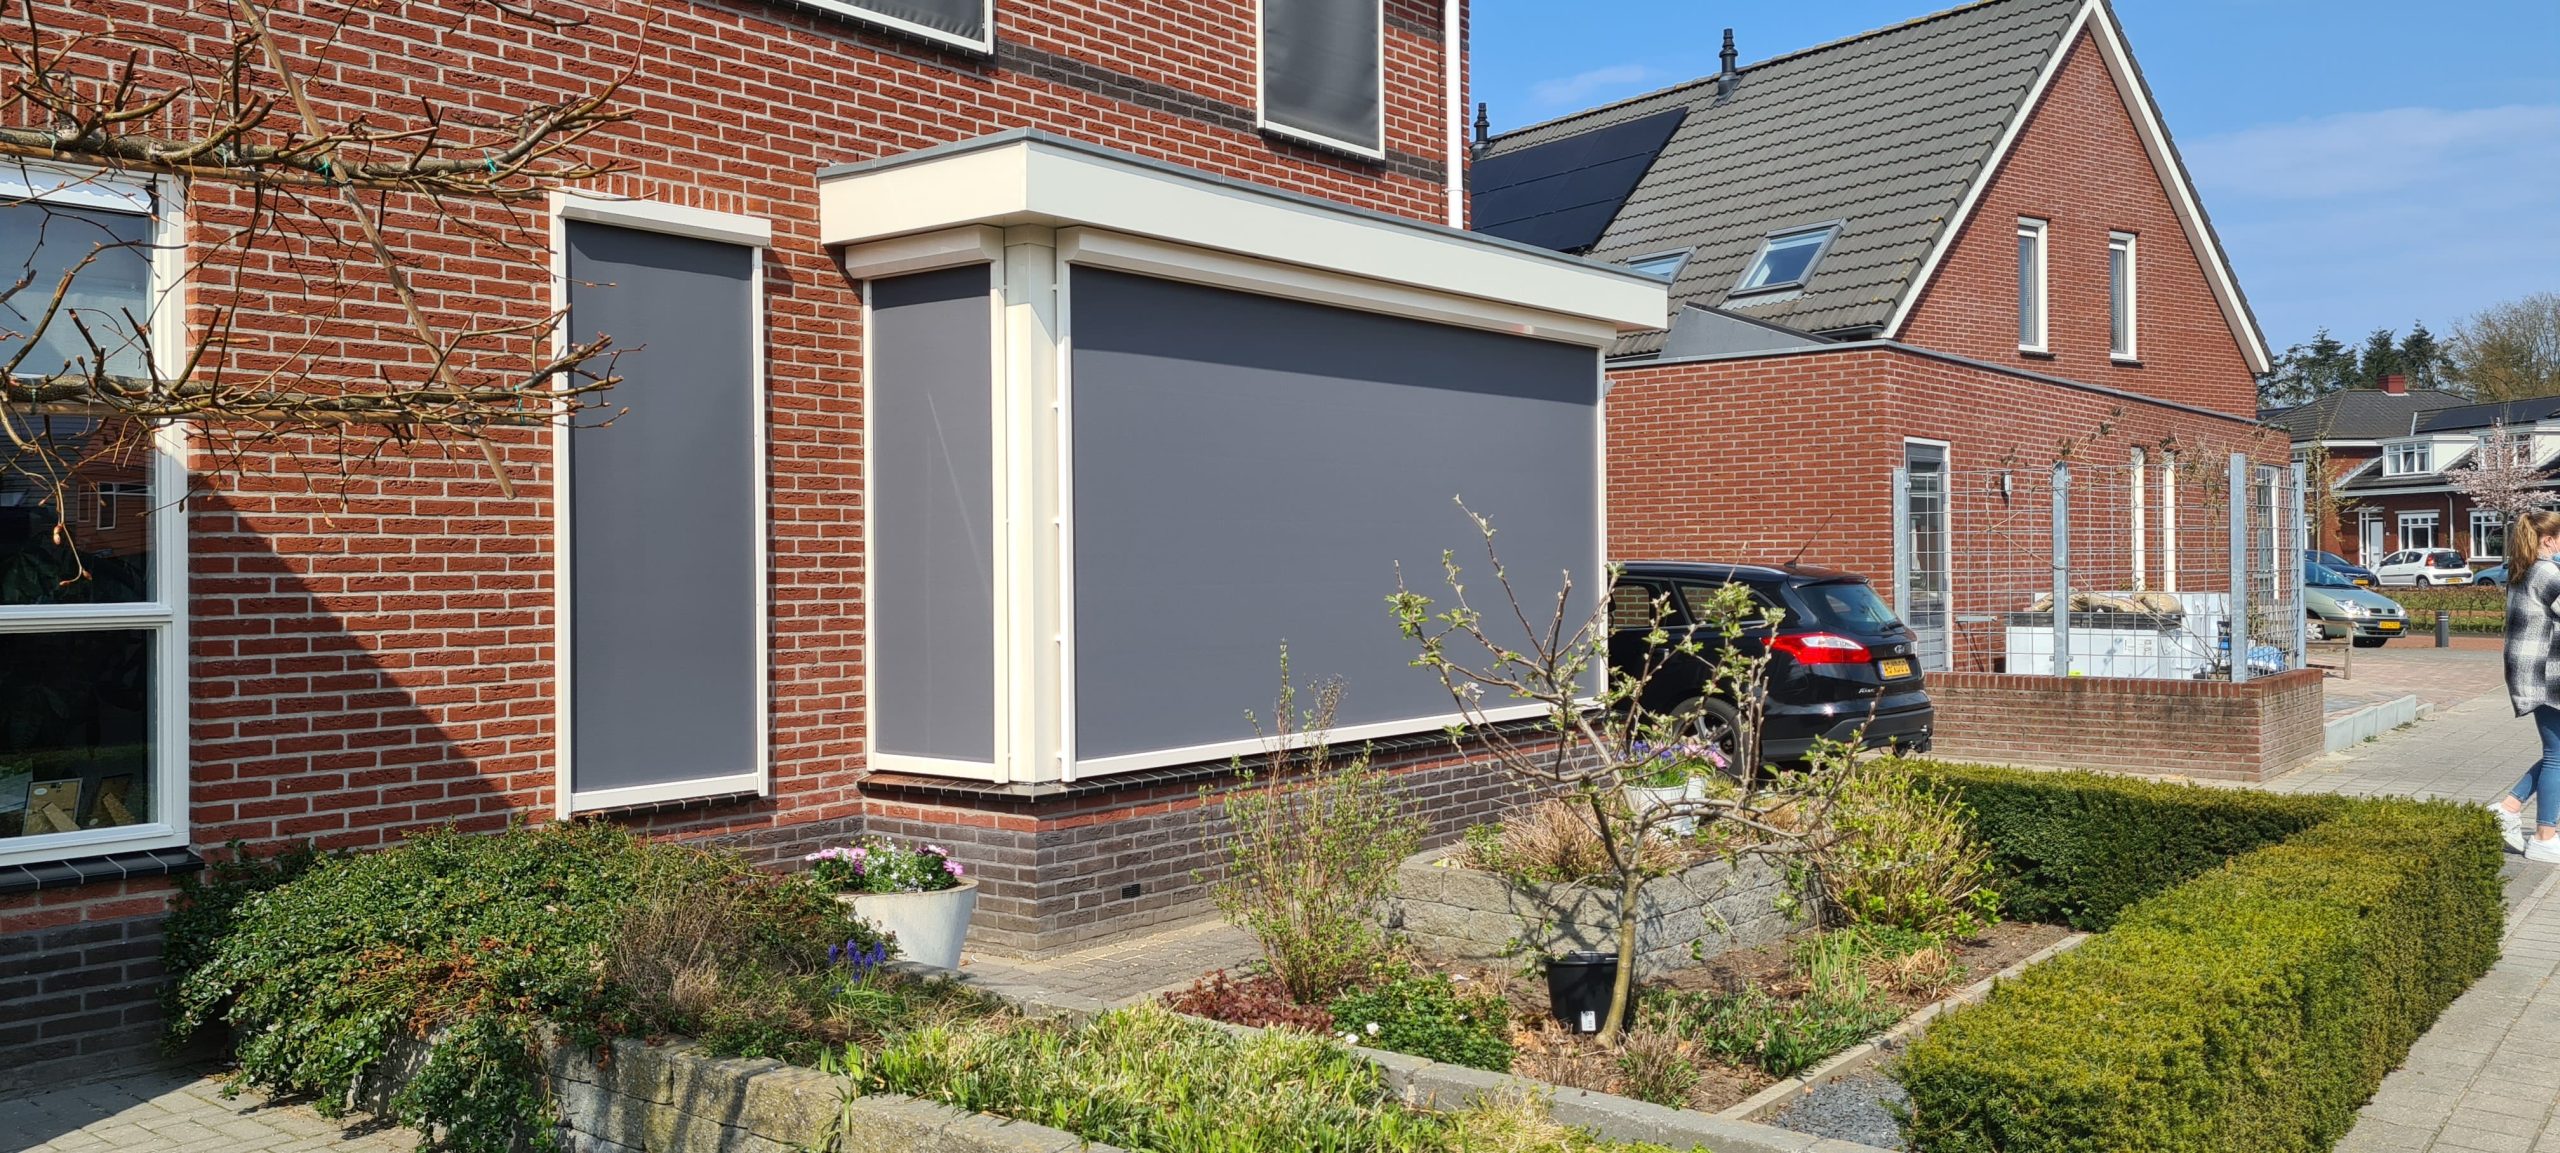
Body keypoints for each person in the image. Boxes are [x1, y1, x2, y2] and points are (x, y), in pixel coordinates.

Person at [2497, 509, 2560, 860]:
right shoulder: (2547, 572)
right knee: (2556, 756)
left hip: (2533, 671)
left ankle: (2508, 808)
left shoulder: (2523, 569)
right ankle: (2544, 837)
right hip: (2546, 673)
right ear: (2548, 540)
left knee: (2557, 754)